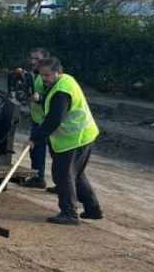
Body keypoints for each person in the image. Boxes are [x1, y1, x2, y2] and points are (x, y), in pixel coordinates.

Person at [28, 56, 103, 225]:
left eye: (47, 75)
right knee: (76, 175)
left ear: (58, 72)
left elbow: (54, 119)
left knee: (62, 175)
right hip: (82, 136)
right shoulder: (64, 81)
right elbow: (50, 102)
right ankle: (93, 209)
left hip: (75, 139)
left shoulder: (62, 92)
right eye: (41, 75)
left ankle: (69, 213)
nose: (43, 79)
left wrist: (35, 139)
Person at [23, 46, 51, 188]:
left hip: (48, 120)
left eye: (37, 58)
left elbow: (55, 97)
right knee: (36, 150)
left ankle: (39, 178)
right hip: (37, 119)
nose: (33, 61)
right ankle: (37, 176)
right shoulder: (33, 75)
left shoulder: (47, 77)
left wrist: (39, 98)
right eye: (32, 58)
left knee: (44, 151)